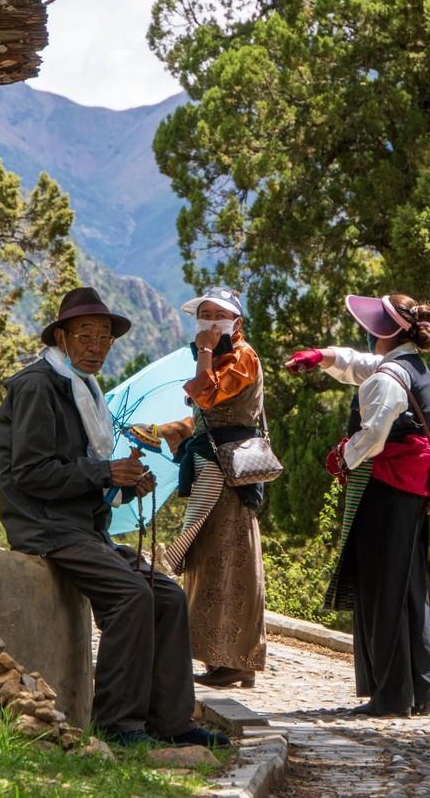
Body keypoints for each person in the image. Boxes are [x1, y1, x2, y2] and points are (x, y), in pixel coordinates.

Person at [0, 286, 229, 748]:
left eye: (104, 338)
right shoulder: (37, 386)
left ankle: (172, 722)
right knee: (131, 596)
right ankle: (119, 725)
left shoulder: (82, 388)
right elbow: (30, 473)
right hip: (45, 528)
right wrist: (105, 471)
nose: (96, 346)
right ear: (61, 336)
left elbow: (80, 473)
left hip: (82, 527)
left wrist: (122, 483)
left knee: (167, 597)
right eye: (85, 335)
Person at [284, 292, 430, 718]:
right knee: (408, 586)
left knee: (381, 588)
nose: (367, 334)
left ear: (385, 332)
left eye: (373, 327)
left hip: (386, 490)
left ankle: (389, 695)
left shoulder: (386, 380)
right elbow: (358, 365)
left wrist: (343, 455)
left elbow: (373, 435)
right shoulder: (411, 367)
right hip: (411, 492)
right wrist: (322, 356)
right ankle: (419, 690)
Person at [159, 288, 267, 689]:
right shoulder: (221, 357)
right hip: (213, 467)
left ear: (236, 324)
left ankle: (237, 659)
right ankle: (220, 656)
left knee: (230, 558)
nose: (208, 321)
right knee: (209, 557)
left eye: (218, 315)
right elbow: (206, 417)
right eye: (203, 314)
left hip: (229, 473)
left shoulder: (242, 357)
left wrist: (204, 352)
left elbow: (206, 395)